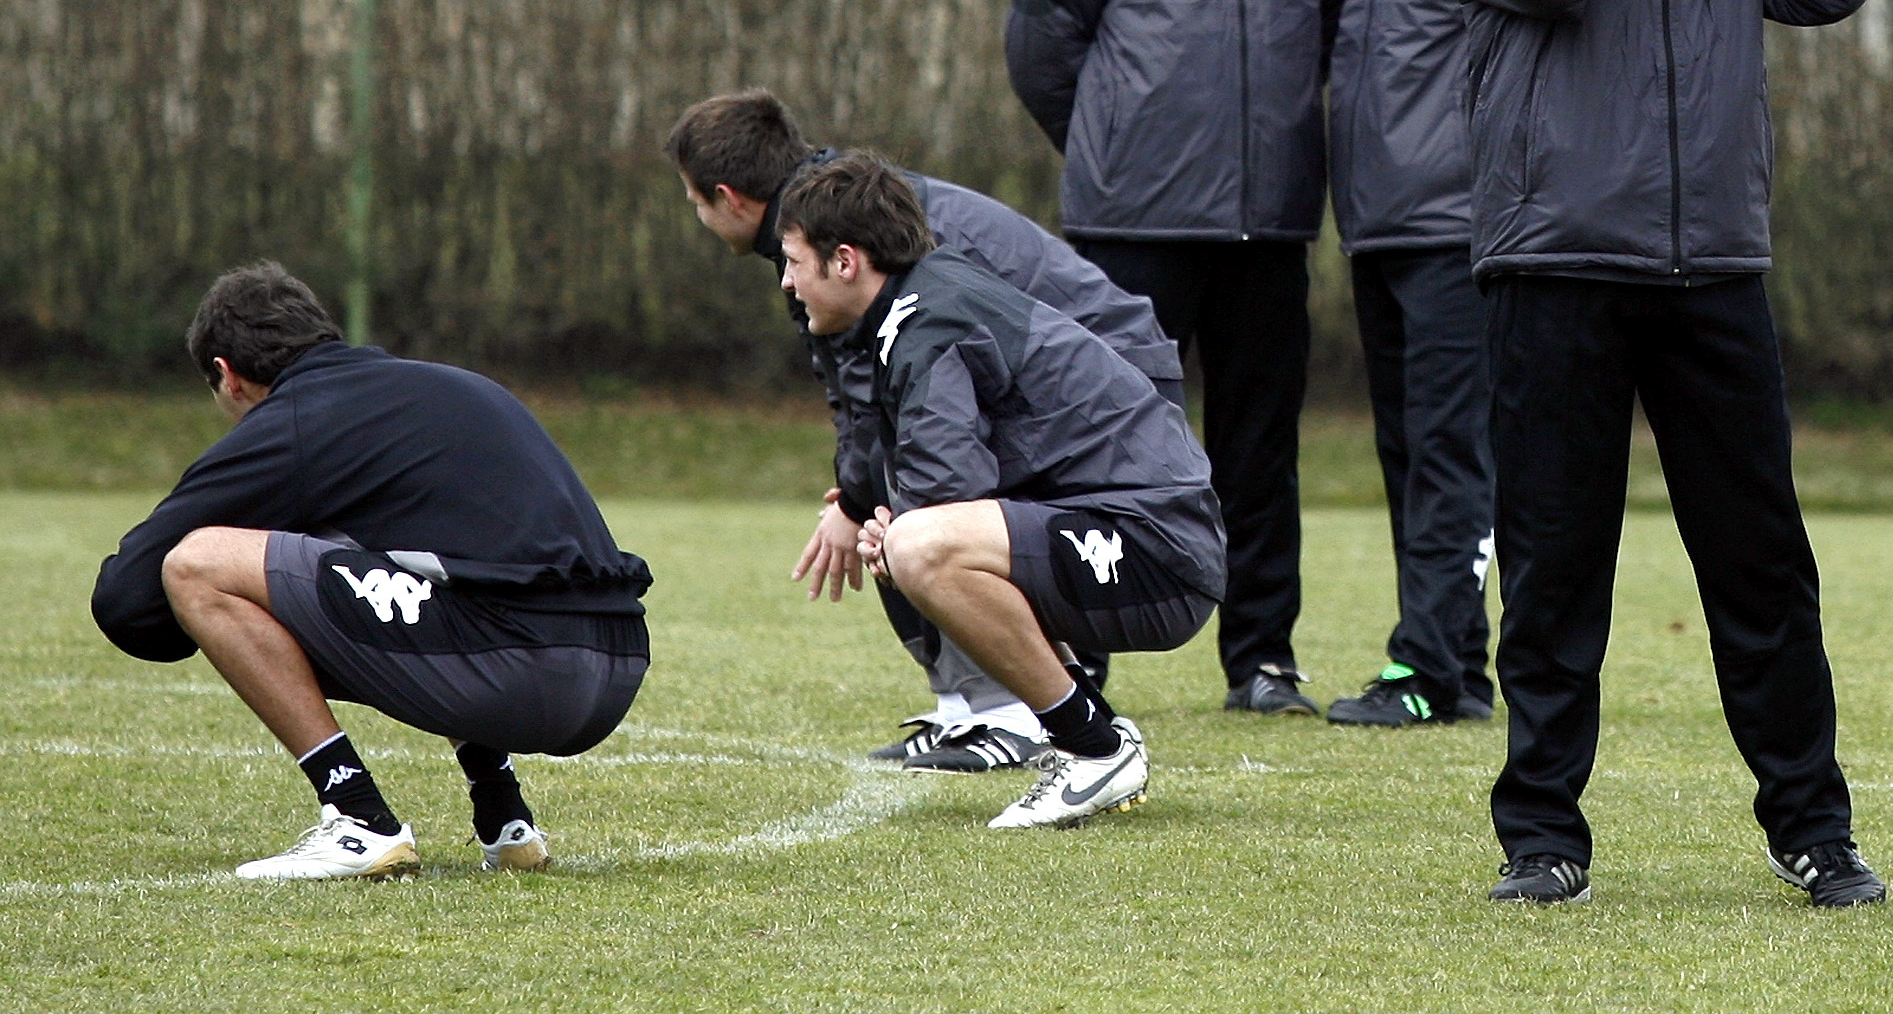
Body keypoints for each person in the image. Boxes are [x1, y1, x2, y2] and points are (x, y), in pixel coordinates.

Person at [1446, 0, 1883, 908]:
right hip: (1557, 267)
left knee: (1761, 568)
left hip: (1715, 270)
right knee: (1555, 566)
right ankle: (1543, 840)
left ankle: (1816, 833)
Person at [665, 88, 1181, 773]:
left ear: (729, 196)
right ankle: (969, 707)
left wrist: (863, 505)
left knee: (917, 500)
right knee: (894, 490)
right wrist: (857, 498)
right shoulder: (823, 221)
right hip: (1069, 383)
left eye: (696, 202)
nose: (699, 217)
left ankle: (1015, 712)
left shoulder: (845, 227)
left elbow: (902, 411)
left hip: (1106, 382)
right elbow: (868, 397)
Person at [1006, 0, 1343, 717]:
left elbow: (1324, 35)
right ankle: (1083, 655)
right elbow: (1039, 48)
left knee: (1260, 451)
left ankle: (1264, 660)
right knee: (1102, 443)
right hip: (1131, 229)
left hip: (1268, 227)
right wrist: (1116, 147)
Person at [90, 264, 652, 880]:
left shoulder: (298, 416)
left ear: (227, 376)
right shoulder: (453, 385)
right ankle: (503, 816)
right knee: (394, 555)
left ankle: (359, 819)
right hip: (616, 668)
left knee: (198, 565)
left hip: (525, 670)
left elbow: (127, 602)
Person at [774, 152, 1224, 828]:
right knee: (914, 540)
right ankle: (1093, 731)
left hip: (1159, 551)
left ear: (845, 261)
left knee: (923, 547)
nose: (786, 282)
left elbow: (950, 491)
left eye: (794, 262)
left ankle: (1093, 749)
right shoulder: (923, 298)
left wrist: (895, 533)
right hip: (1141, 532)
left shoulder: (925, 322)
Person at [1323, 0, 1496, 729]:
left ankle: (1433, 671)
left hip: (1457, 230)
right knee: (1406, 451)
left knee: (1449, 452)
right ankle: (1448, 666)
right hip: (1382, 225)